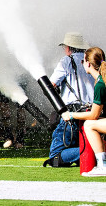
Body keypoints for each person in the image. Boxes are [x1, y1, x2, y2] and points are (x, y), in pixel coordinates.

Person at [45, 32, 95, 167]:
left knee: (55, 157)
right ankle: (95, 151)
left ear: (68, 47)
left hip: (72, 115)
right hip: (90, 113)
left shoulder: (66, 61)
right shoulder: (90, 61)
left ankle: (95, 152)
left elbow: (51, 85)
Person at [61, 47, 106, 176]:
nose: (82, 64)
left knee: (89, 125)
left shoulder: (100, 84)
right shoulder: (101, 81)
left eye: (82, 61)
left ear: (88, 64)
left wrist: (70, 115)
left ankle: (102, 165)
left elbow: (93, 115)